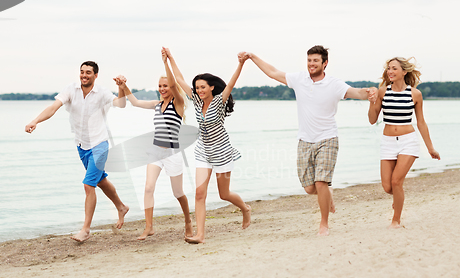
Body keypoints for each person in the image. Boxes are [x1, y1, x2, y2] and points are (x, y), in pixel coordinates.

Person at [241, 46, 377, 236]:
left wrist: (370, 92)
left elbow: (358, 93)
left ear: (325, 63)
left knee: (321, 182)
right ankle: (327, 195)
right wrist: (252, 57)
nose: (311, 64)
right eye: (309, 60)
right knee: (309, 187)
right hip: (305, 140)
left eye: (315, 61)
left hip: (328, 138)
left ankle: (323, 224)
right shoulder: (299, 80)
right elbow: (272, 73)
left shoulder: (334, 84)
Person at [25, 61, 130, 242]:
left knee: (88, 184)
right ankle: (121, 207)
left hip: (99, 144)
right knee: (100, 180)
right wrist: (35, 121)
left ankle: (85, 229)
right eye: (82, 72)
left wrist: (122, 87)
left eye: (88, 72)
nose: (84, 75)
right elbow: (53, 108)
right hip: (82, 145)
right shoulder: (71, 90)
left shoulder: (102, 93)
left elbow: (121, 104)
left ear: (95, 75)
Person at [164, 47, 251, 244]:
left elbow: (231, 82)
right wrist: (170, 59)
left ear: (211, 87)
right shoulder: (195, 100)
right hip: (203, 151)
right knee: (199, 193)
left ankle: (245, 209)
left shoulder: (220, 101)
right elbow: (179, 79)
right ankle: (200, 235)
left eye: (203, 87)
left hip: (222, 152)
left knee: (224, 194)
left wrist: (241, 63)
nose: (199, 90)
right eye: (197, 88)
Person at [112, 50, 193, 240]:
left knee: (178, 192)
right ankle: (149, 227)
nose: (163, 88)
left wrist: (166, 61)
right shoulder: (157, 105)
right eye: (160, 86)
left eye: (165, 86)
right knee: (148, 188)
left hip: (172, 153)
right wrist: (124, 86)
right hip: (155, 151)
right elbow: (135, 102)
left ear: (172, 88)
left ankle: (188, 222)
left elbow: (174, 82)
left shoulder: (179, 103)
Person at [368, 57, 440, 228]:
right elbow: (372, 120)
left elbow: (421, 122)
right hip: (388, 142)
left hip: (408, 141)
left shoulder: (415, 94)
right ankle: (398, 198)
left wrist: (430, 148)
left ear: (404, 72)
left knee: (396, 182)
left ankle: (396, 220)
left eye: (394, 68)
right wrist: (372, 103)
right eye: (388, 68)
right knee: (387, 187)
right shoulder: (383, 92)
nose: (390, 72)